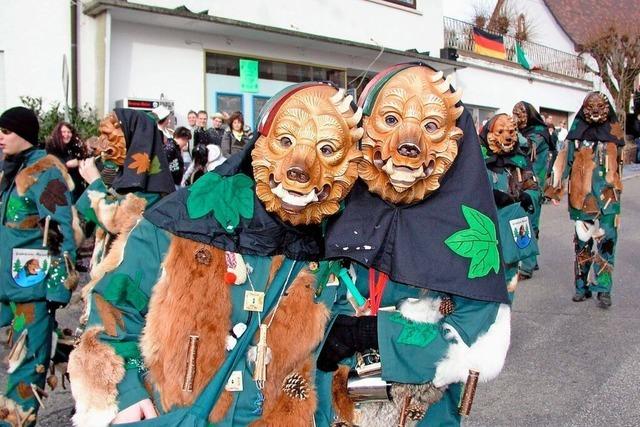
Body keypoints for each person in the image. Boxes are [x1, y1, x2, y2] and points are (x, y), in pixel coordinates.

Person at [67, 82, 364, 426]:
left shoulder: (333, 248)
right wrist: (128, 390)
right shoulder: (180, 223)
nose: (302, 164)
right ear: (260, 144)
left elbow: (330, 362)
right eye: (286, 141)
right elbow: (113, 306)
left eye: (327, 149)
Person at [316, 64, 510, 426]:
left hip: (420, 409)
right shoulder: (336, 205)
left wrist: (376, 334)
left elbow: (477, 336)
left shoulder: (469, 227)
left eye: (431, 126)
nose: (409, 142)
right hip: (337, 400)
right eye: (390, 119)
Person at [0, 107, 80, 424]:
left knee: (26, 364)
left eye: (6, 131)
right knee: (31, 348)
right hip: (7, 282)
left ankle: (14, 421)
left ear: (24, 134)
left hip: (32, 285)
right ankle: (62, 346)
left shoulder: (45, 170)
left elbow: (62, 231)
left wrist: (58, 288)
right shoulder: (9, 170)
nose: (0, 137)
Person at [74, 109, 175, 323]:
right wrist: (105, 170)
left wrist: (95, 183)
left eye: (111, 137)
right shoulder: (121, 175)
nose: (104, 142)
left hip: (130, 279)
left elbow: (118, 220)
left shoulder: (153, 186)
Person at [564, 92, 624, 308]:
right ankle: (582, 287)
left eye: (600, 106)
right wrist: (555, 189)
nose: (596, 110)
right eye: (591, 106)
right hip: (582, 198)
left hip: (609, 198)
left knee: (607, 242)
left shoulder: (614, 135)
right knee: (582, 243)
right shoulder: (577, 135)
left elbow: (619, 165)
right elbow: (566, 162)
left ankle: (604, 289)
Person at [479, 114, 540, 299]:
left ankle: (503, 323)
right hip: (485, 229)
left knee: (508, 283)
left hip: (512, 229)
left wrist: (527, 197)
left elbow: (534, 188)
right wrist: (491, 196)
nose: (507, 136)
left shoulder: (519, 161)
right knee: (483, 283)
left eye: (511, 132)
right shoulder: (476, 160)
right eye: (500, 131)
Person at [512, 101, 551, 280]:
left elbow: (528, 146)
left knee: (527, 222)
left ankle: (526, 267)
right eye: (514, 113)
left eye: (520, 114)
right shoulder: (523, 132)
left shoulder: (539, 133)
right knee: (528, 222)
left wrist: (513, 131)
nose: (517, 117)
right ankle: (531, 261)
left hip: (533, 185)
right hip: (522, 183)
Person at [45, 122, 89, 202]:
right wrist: (66, 165)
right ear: (58, 133)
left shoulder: (74, 147)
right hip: (62, 189)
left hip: (77, 189)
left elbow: (84, 159)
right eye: (63, 132)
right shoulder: (51, 148)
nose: (66, 134)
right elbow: (52, 167)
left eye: (69, 132)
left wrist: (78, 162)